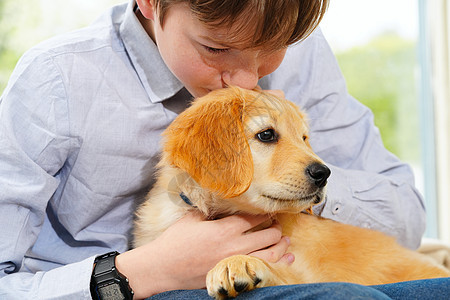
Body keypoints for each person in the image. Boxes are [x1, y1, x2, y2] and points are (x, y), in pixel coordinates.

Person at [0, 0, 446, 299]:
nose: (250, 80)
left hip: (294, 267)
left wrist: (293, 182)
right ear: (151, 3)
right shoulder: (56, 79)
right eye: (216, 48)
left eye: (273, 50)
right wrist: (145, 271)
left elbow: (403, 216)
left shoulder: (299, 45)